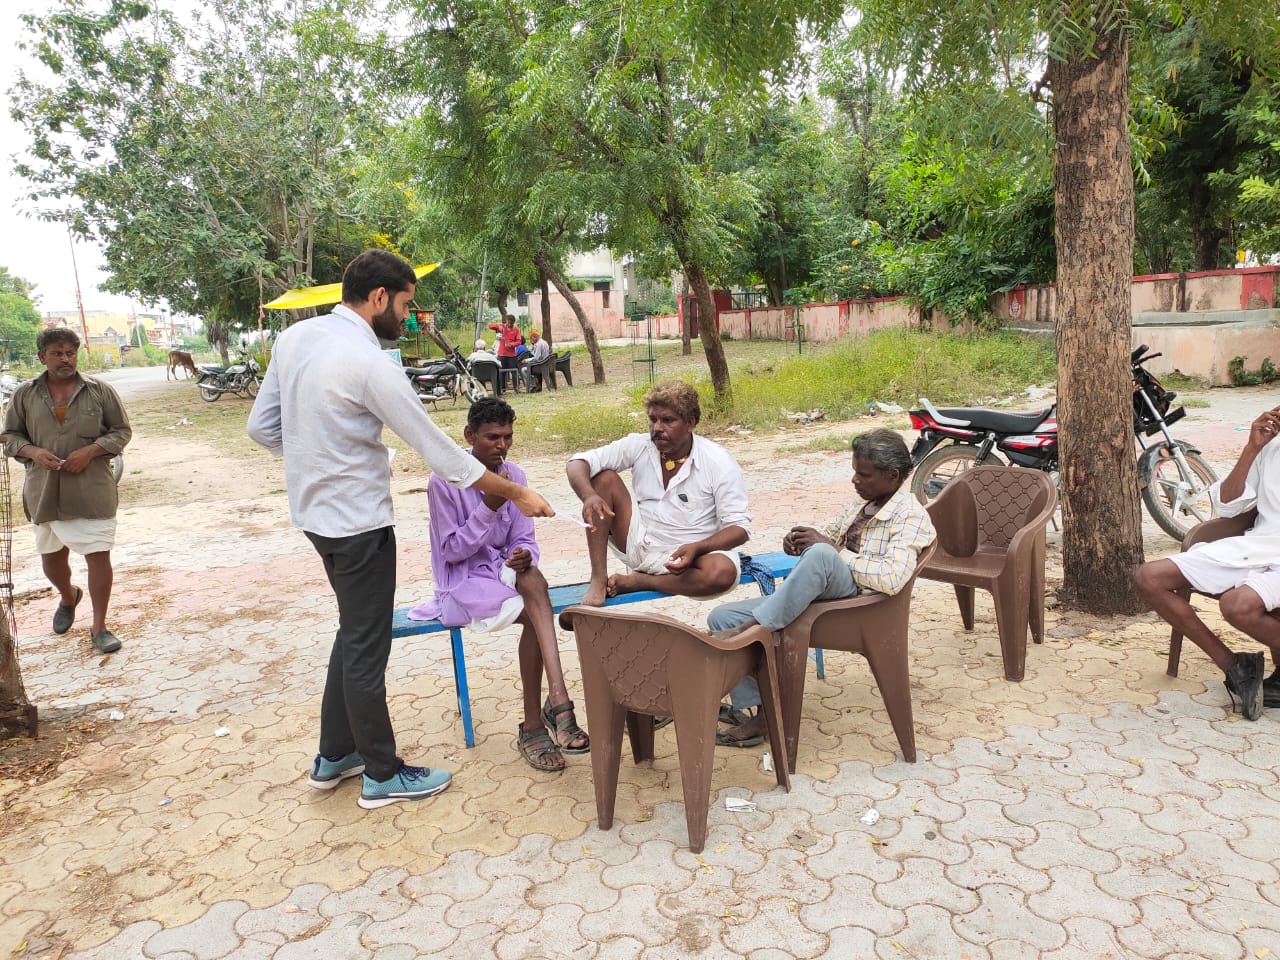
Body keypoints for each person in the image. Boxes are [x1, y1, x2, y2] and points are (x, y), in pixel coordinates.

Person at [247, 249, 553, 809]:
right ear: (380, 297)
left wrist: (317, 464)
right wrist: (515, 492)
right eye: (407, 305)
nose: (410, 319)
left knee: (353, 632)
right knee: (368, 644)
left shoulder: (295, 340)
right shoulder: (371, 363)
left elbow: (261, 428)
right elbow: (440, 452)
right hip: (359, 524)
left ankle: (335, 755)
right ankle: (382, 774)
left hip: (316, 517)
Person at [707, 429, 935, 748]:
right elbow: (827, 538)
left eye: (863, 475)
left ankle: (758, 624)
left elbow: (892, 578)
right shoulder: (864, 504)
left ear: (892, 475)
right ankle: (764, 715)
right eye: (855, 472)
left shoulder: (910, 516)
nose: (855, 480)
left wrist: (832, 553)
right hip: (827, 594)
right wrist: (798, 543)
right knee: (722, 618)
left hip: (860, 608)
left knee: (824, 555)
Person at [411, 397, 589, 771]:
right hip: (461, 584)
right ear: (469, 436)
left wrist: (523, 555)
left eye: (507, 437)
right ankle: (543, 716)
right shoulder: (443, 480)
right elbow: (452, 551)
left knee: (533, 577)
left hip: (501, 573)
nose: (501, 446)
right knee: (536, 613)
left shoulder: (515, 475)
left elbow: (525, 539)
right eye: (492, 437)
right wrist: (489, 505)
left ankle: (550, 706)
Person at [1135, 404, 1280, 720]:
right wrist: (1252, 448)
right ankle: (1236, 667)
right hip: (1258, 546)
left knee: (1237, 605)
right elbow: (1227, 505)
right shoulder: (1272, 446)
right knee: (1150, 577)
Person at [2, 328, 131, 654]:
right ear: (42, 357)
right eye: (57, 353)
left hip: (92, 490)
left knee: (98, 554)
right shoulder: (25, 394)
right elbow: (10, 436)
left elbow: (121, 431)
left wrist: (90, 451)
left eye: (70, 353)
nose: (65, 359)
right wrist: (32, 452)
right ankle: (68, 596)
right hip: (43, 490)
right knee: (52, 560)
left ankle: (99, 627)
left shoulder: (100, 391)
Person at [567, 379, 751, 606]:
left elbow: (739, 528)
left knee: (723, 572)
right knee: (603, 479)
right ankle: (598, 578)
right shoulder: (639, 445)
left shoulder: (718, 460)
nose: (657, 428)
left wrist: (699, 547)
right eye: (653, 420)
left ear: (690, 423)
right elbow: (577, 462)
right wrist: (588, 495)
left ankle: (641, 581)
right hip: (639, 546)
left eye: (668, 421)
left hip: (692, 558)